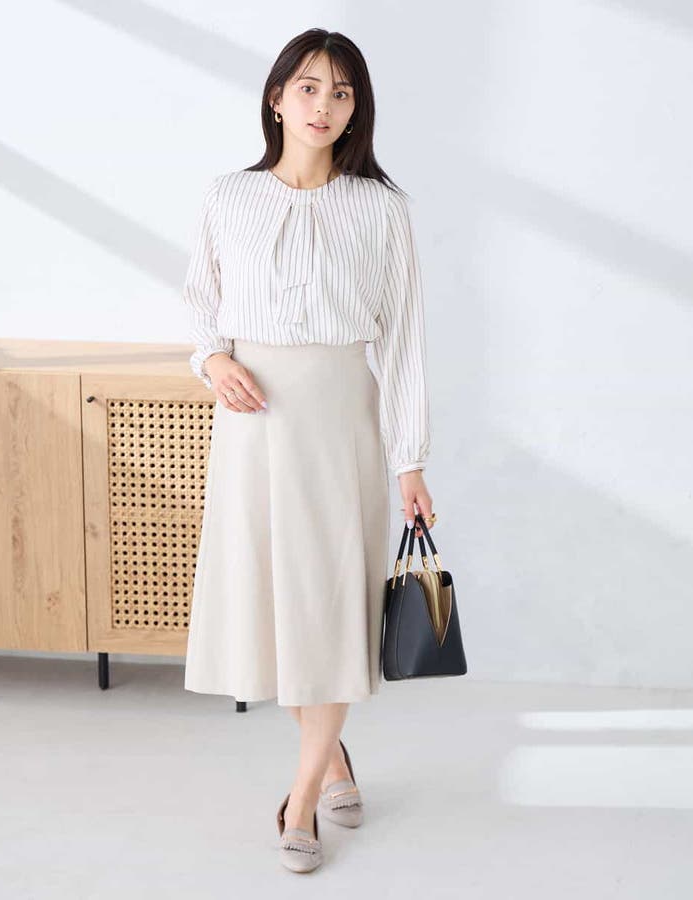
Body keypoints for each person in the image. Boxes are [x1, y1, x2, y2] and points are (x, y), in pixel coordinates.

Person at [180, 28, 437, 872]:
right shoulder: (228, 196)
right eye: (309, 87)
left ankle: (298, 801)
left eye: (342, 91)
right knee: (272, 603)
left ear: (357, 109)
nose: (324, 105)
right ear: (276, 98)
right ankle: (333, 761)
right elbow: (199, 303)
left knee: (328, 604)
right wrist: (213, 360)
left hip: (339, 421)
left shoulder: (380, 208)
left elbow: (403, 341)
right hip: (252, 424)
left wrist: (409, 459)